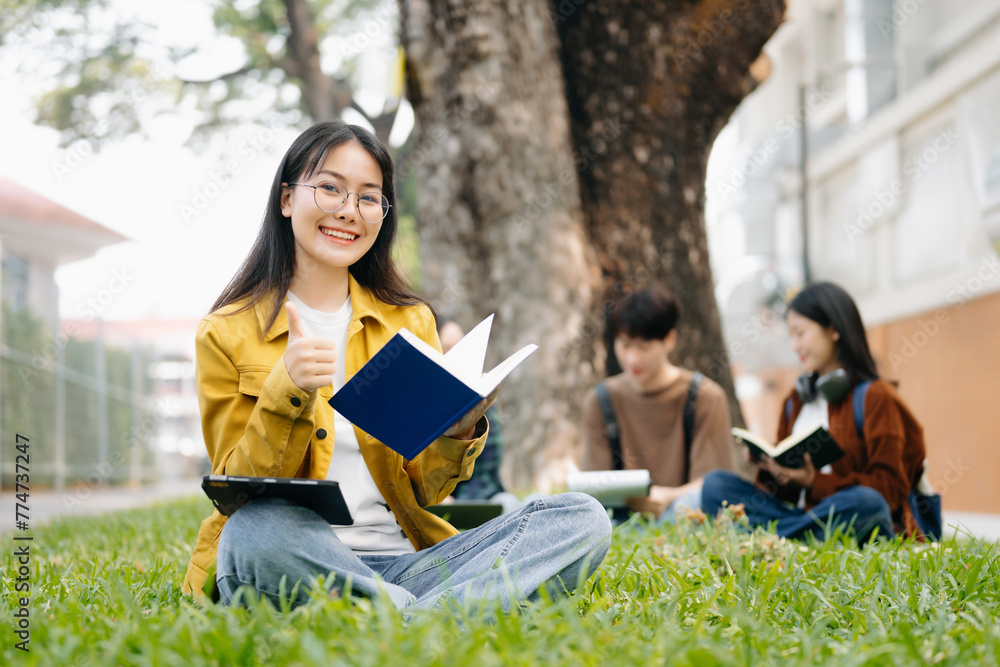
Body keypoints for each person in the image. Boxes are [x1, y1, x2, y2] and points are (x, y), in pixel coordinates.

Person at [182, 120, 611, 611]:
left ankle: (397, 614)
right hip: (297, 556)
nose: (349, 211)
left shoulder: (409, 321)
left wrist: (457, 432)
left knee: (581, 516)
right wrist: (288, 390)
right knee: (254, 530)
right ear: (286, 199)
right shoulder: (226, 331)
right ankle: (444, 615)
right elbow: (236, 491)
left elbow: (425, 489)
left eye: (369, 197)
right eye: (330, 188)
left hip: (408, 565)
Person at [701, 282, 927, 543]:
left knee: (867, 502)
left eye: (800, 334)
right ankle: (796, 536)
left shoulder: (876, 397)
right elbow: (784, 494)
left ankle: (774, 536)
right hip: (804, 517)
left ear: (834, 330)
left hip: (849, 514)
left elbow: (890, 490)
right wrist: (771, 466)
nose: (794, 345)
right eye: (791, 336)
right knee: (716, 486)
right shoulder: (795, 402)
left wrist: (813, 482)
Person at [581, 287, 735, 522]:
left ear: (669, 340)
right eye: (625, 345)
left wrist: (667, 497)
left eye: (643, 347)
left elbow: (713, 485)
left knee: (699, 502)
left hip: (682, 512)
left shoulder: (706, 397)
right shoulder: (600, 400)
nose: (632, 359)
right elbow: (590, 489)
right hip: (619, 519)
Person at [437, 319, 510, 506]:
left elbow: (486, 470)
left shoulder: (481, 399)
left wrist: (459, 504)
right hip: (432, 500)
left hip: (481, 496)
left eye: (461, 347)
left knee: (510, 503)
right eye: (448, 349)